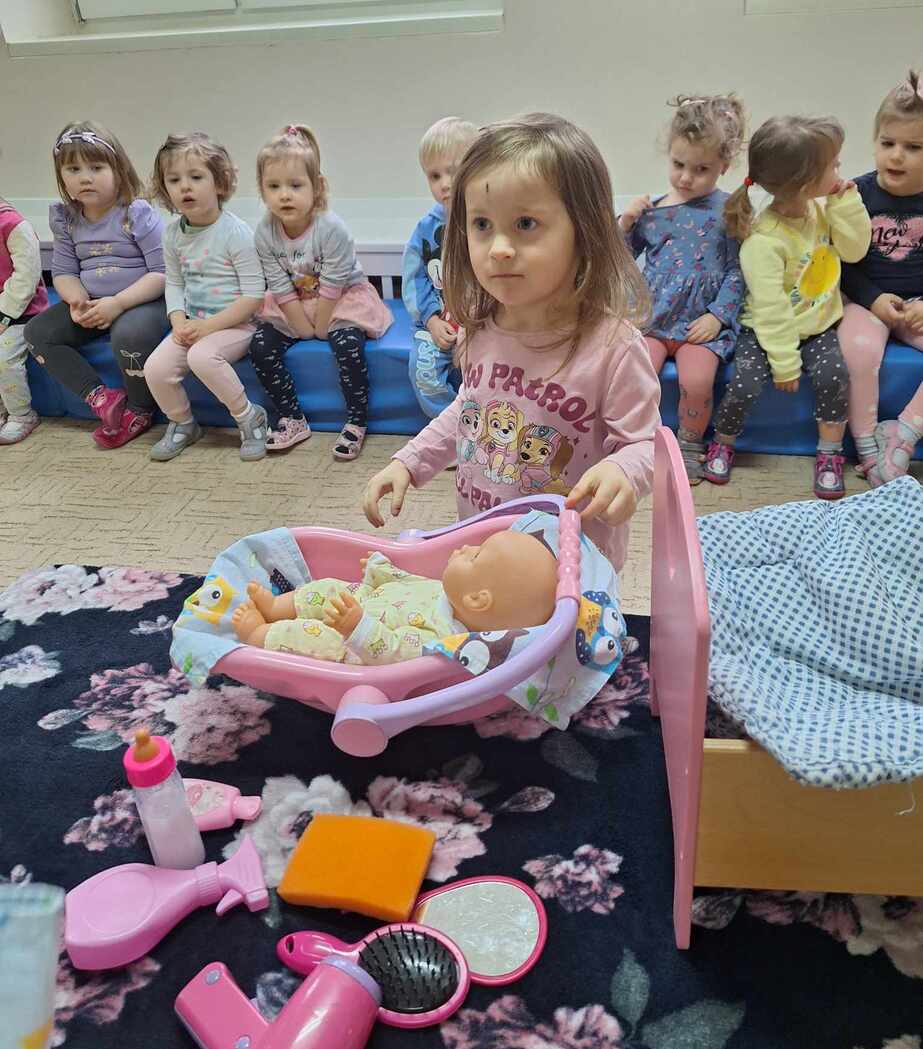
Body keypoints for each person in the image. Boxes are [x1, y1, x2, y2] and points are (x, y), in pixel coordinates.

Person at [363, 113, 661, 573]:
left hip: (571, 562)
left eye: (525, 223)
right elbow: (469, 411)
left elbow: (646, 445)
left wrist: (624, 470)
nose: (499, 247)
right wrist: (409, 462)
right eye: (482, 224)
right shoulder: (480, 327)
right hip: (484, 539)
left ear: (584, 232)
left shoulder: (615, 349)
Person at [702, 115, 872, 499]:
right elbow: (770, 309)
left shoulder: (823, 210)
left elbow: (855, 250)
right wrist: (784, 362)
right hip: (765, 330)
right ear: (806, 183)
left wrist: (846, 202)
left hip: (818, 326)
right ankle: (723, 441)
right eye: (834, 166)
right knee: (745, 383)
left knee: (834, 376)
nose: (841, 172)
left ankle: (829, 453)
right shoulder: (763, 241)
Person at [619, 94, 746, 482]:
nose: (687, 178)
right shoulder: (652, 211)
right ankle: (634, 442)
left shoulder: (729, 210)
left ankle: (690, 444)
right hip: (655, 318)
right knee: (636, 374)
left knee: (697, 381)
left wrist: (717, 316)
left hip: (699, 324)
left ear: (724, 167)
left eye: (701, 169)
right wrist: (625, 223)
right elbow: (620, 258)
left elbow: (738, 270)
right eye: (679, 165)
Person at [249, 124, 392, 458]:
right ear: (262, 191)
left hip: (341, 297)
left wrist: (321, 327)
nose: (284, 195)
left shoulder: (331, 228)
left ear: (318, 186)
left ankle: (356, 420)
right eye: (273, 186)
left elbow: (332, 284)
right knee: (259, 345)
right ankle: (292, 417)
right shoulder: (265, 232)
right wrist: (301, 326)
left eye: (295, 185)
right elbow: (279, 284)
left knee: (347, 345)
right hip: (295, 300)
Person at [24, 122, 166, 448]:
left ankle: (140, 408)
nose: (85, 177)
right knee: (37, 333)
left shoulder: (136, 213)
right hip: (93, 301)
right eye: (73, 169)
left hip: (143, 300)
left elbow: (162, 273)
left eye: (96, 168)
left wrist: (118, 303)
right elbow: (63, 271)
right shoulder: (67, 219)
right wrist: (76, 300)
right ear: (61, 176)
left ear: (119, 170)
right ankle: (101, 397)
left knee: (129, 334)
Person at [231, 529, 557, 663]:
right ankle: (277, 607)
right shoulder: (448, 596)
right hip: (364, 600)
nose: (466, 547)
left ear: (477, 599)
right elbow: (410, 583)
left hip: (352, 642)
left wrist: (356, 627)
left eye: (475, 554)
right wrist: (381, 571)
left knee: (311, 636)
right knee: (327, 587)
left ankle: (259, 634)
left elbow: (393, 653)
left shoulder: (442, 640)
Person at [143, 132, 267, 461]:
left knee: (201, 356)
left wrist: (208, 327)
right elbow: (174, 283)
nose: (185, 187)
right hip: (194, 325)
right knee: (155, 368)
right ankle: (183, 423)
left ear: (219, 183)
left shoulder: (235, 233)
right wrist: (178, 320)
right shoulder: (172, 234)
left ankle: (249, 417)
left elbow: (254, 296)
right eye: (174, 180)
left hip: (238, 325)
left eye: (196, 177)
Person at [838, 69, 923, 484]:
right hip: (866, 299)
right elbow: (840, 264)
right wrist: (872, 298)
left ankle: (904, 432)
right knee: (857, 351)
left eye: (913, 147)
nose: (896, 156)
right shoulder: (857, 195)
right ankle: (867, 445)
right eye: (887, 143)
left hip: (917, 306)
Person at [402, 116, 478, 417]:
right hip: (437, 322)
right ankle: (450, 427)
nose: (444, 184)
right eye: (434, 176)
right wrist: (431, 319)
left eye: (454, 172)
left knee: (489, 369)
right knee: (423, 372)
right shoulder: (426, 229)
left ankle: (482, 424)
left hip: (484, 324)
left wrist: (476, 327)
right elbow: (415, 278)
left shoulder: (489, 222)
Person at [0, 200, 47, 444]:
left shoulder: (13, 225)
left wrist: (4, 315)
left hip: (22, 312)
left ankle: (22, 415)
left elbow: (26, 277)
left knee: (3, 357)